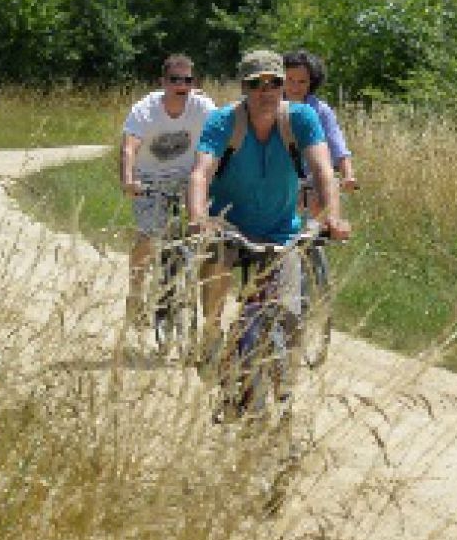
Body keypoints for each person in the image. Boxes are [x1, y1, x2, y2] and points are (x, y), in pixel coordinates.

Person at [186, 49, 350, 360]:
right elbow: (201, 172)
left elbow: (323, 170)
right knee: (217, 265)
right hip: (229, 226)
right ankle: (210, 335)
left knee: (290, 317)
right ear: (244, 88)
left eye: (274, 83)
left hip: (281, 231)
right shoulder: (224, 121)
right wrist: (198, 217)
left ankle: (282, 391)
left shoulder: (300, 118)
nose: (266, 92)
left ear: (283, 86)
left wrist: (333, 217)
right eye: (256, 84)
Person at [120, 54, 216, 331]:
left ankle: (190, 293)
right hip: (149, 178)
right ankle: (136, 292)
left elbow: (223, 134)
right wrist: (129, 180)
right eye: (175, 79)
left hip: (189, 178)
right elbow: (129, 148)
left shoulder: (203, 106)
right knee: (149, 237)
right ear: (163, 82)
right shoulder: (145, 110)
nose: (181, 85)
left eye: (187, 80)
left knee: (203, 232)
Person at [282, 49, 358, 200]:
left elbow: (338, 147)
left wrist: (348, 175)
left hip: (309, 183)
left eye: (302, 81)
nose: (295, 87)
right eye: (290, 80)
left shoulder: (321, 111)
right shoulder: (268, 105)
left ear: (312, 82)